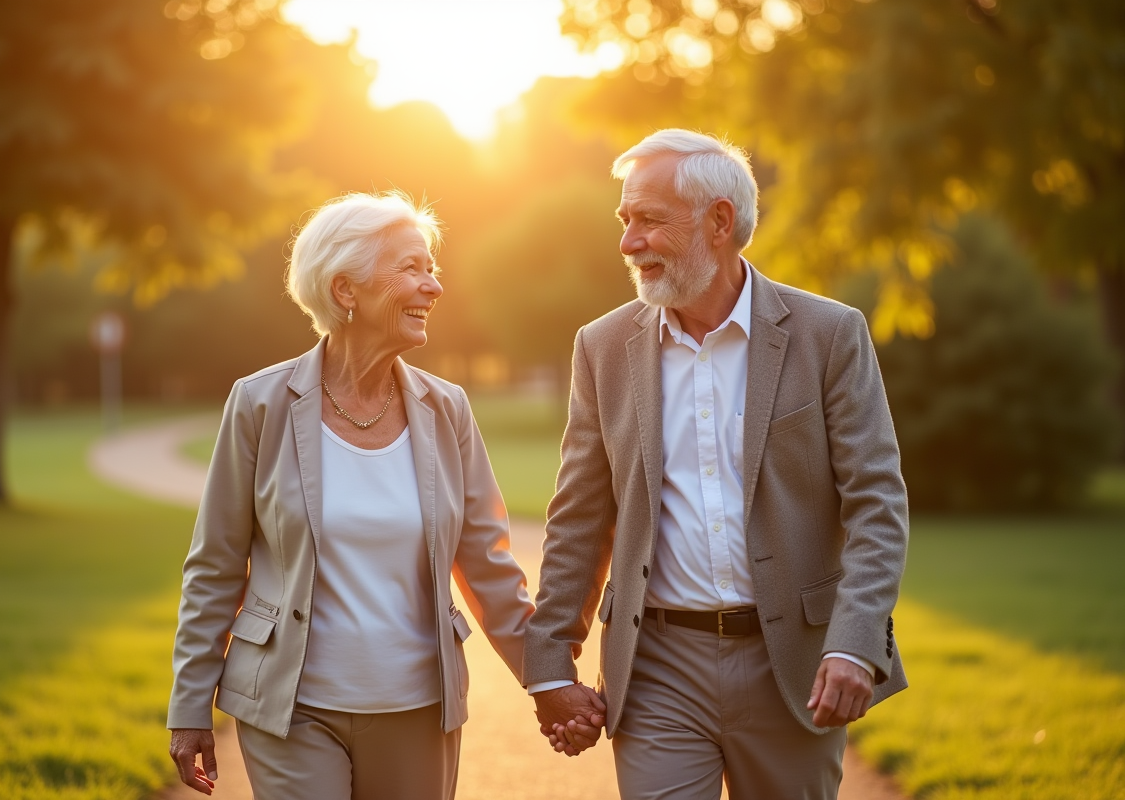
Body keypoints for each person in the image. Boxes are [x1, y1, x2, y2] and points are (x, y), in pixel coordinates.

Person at [524, 129, 909, 799]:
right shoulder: (603, 347)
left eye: (648, 220)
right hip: (657, 666)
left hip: (791, 661)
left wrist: (854, 641)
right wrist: (551, 661)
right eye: (625, 221)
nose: (627, 242)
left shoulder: (828, 335)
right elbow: (579, 516)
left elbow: (877, 502)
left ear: (720, 221)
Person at [166, 191, 534, 800]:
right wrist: (189, 704)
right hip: (291, 708)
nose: (433, 287)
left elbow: (487, 562)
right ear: (346, 291)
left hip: (418, 704)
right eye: (411, 269)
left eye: (431, 269)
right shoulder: (260, 404)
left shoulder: (447, 409)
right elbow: (216, 566)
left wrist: (546, 682)